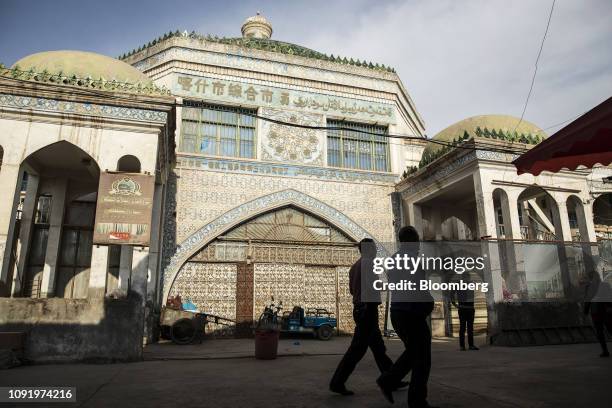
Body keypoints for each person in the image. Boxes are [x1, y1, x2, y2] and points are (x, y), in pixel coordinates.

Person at [330, 238, 405, 396]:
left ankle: (392, 378)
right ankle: (337, 382)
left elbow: (352, 290)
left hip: (360, 309)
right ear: (368, 249)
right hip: (367, 310)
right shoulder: (370, 264)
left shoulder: (354, 267)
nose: (376, 251)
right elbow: (373, 286)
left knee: (378, 348)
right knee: (357, 350)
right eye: (374, 248)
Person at [377, 226, 437, 408]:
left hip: (398, 313)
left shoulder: (392, 260)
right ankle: (416, 401)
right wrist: (429, 303)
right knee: (422, 359)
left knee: (413, 353)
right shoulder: (414, 261)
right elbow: (419, 289)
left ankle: (388, 380)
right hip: (412, 314)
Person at [583, 271, 612, 357]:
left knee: (604, 330)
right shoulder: (603, 285)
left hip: (600, 311)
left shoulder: (592, 286)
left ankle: (605, 351)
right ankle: (605, 351)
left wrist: (585, 312)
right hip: (601, 311)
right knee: (605, 330)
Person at [451, 274, 479, 351]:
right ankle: (465, 346)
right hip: (465, 309)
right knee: (465, 328)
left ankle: (467, 346)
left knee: (467, 328)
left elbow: (451, 294)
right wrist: (455, 304)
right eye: (467, 277)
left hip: (467, 309)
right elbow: (451, 295)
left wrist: (455, 304)